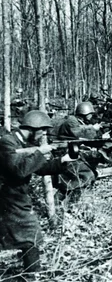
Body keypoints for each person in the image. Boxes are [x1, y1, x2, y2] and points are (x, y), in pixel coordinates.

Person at [0, 110, 76, 274]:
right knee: (30, 234)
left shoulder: (23, 144)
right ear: (33, 127)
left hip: (15, 196)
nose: (43, 134)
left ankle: (32, 273)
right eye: (42, 130)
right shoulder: (7, 142)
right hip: (7, 196)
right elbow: (19, 170)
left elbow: (40, 168)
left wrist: (63, 160)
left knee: (28, 238)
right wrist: (40, 151)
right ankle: (33, 274)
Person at [53, 102, 112, 199]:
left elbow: (86, 138)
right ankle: (64, 200)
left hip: (71, 152)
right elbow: (79, 133)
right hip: (64, 154)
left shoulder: (80, 122)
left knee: (90, 172)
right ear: (85, 114)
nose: (91, 116)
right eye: (90, 114)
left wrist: (101, 137)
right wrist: (93, 128)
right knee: (86, 175)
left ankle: (70, 200)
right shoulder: (71, 121)